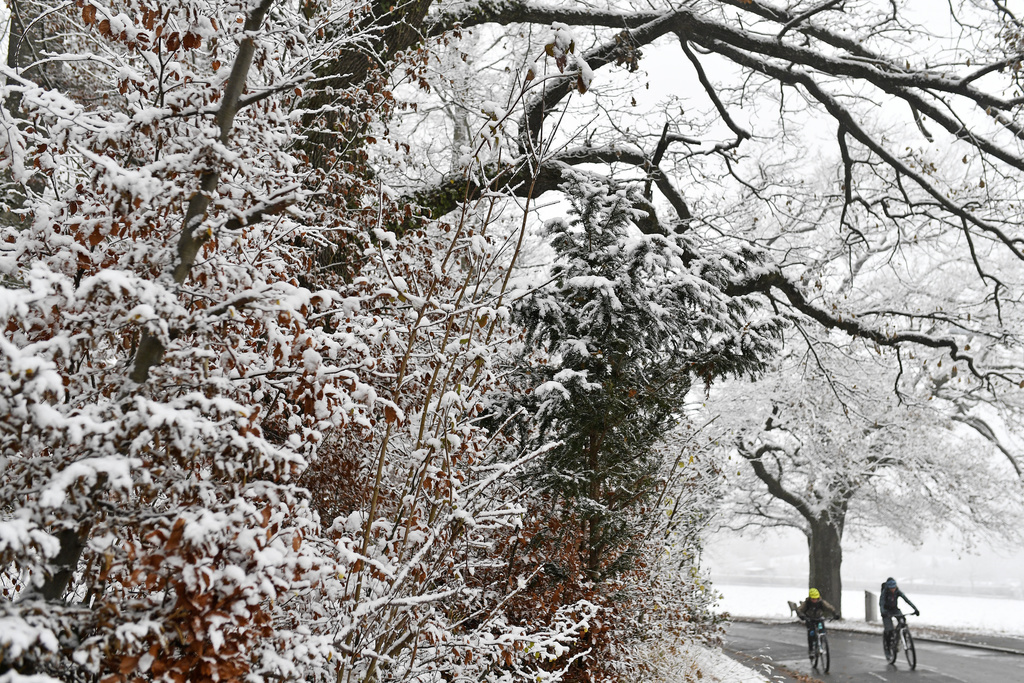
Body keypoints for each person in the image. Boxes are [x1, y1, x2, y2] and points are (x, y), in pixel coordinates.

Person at [796, 588, 838, 659]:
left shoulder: (821, 602)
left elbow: (829, 607)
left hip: (819, 618)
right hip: (810, 619)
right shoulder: (807, 603)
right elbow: (799, 610)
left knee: (822, 631)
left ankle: (821, 642)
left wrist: (835, 613)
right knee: (811, 634)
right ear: (810, 598)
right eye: (813, 599)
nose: (815, 600)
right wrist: (802, 616)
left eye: (816, 598)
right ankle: (811, 650)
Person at [879, 577, 919, 650]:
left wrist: (915, 609)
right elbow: (881, 603)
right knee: (889, 630)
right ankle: (888, 647)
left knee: (902, 621)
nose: (893, 589)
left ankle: (902, 636)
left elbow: (907, 600)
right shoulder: (885, 592)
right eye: (891, 588)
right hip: (886, 611)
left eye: (894, 588)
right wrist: (883, 612)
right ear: (888, 587)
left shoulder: (897, 591)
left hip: (895, 609)